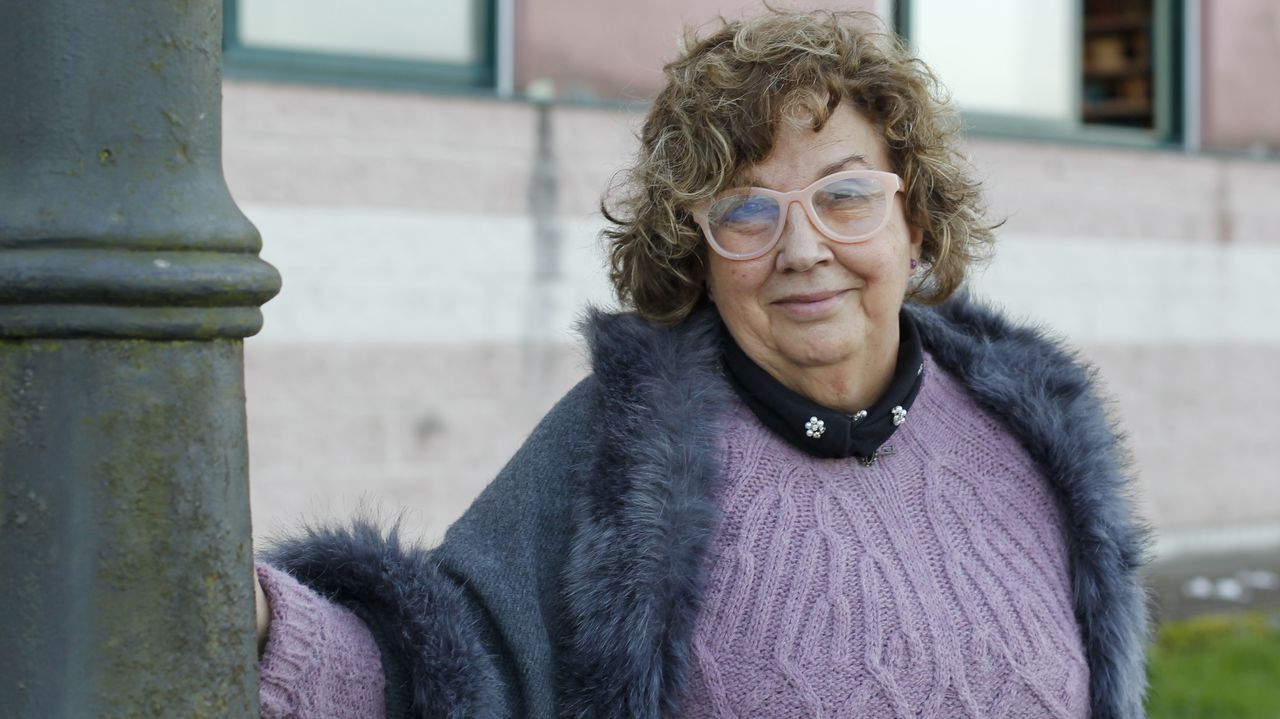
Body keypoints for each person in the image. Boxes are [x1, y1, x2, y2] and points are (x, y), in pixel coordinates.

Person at [253, 9, 1149, 719]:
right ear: (698, 253)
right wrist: (257, 624)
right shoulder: (631, 447)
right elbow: (444, 669)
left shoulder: (1032, 434)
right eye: (747, 212)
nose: (802, 248)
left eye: (844, 195)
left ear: (913, 221)